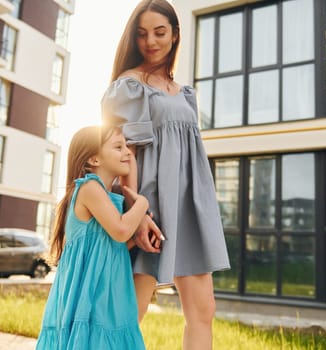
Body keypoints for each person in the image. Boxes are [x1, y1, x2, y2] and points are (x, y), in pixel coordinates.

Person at [101, 1, 231, 349]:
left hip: (189, 209)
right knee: (131, 313)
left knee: (203, 310)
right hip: (151, 208)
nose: (151, 42)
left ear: (175, 35)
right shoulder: (129, 86)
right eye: (142, 34)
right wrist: (138, 213)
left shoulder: (185, 94)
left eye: (160, 32)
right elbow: (125, 154)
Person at [35, 125, 149, 350]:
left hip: (104, 290)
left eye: (126, 146)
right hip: (90, 294)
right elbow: (121, 230)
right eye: (119, 147)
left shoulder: (105, 196)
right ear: (95, 159)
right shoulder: (89, 188)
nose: (127, 152)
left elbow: (107, 245)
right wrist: (142, 203)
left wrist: (137, 240)